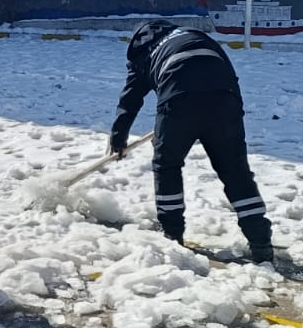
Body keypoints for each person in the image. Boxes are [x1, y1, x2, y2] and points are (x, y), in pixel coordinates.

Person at [108, 19, 274, 262]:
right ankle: (261, 242)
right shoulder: (194, 35)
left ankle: (172, 235)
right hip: (225, 98)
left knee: (167, 165)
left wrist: (118, 135)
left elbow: (131, 98)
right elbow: (228, 73)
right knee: (235, 171)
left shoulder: (144, 53)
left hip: (178, 99)